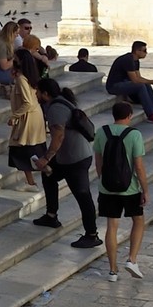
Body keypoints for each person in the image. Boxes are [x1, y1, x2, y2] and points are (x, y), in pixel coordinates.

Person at [36, 86, 100, 250]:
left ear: (45, 93)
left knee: (82, 195)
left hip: (75, 159)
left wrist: (46, 158)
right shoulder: (63, 102)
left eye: (37, 92)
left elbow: (58, 136)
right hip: (69, 156)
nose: (35, 95)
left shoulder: (55, 108)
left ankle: (92, 235)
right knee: (48, 176)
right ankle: (51, 215)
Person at [97, 101, 148, 280]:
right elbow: (139, 167)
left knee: (112, 226)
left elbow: (98, 160)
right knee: (139, 220)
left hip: (107, 187)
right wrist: (145, 189)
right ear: (129, 116)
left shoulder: (101, 132)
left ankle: (112, 270)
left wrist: (103, 178)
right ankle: (132, 259)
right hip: (130, 187)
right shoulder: (135, 135)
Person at [7, 51, 48, 191]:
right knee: (29, 148)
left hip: (28, 117)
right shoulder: (27, 77)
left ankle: (32, 182)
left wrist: (15, 116)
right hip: (33, 115)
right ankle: (32, 180)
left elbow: (27, 103)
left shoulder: (22, 79)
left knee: (22, 149)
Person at [104, 41, 153, 122]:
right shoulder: (128, 60)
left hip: (124, 82)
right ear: (137, 51)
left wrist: (150, 82)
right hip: (114, 86)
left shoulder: (136, 60)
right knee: (141, 86)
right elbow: (135, 80)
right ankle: (151, 114)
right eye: (144, 51)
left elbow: (139, 77)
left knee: (146, 84)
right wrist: (152, 81)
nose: (146, 53)